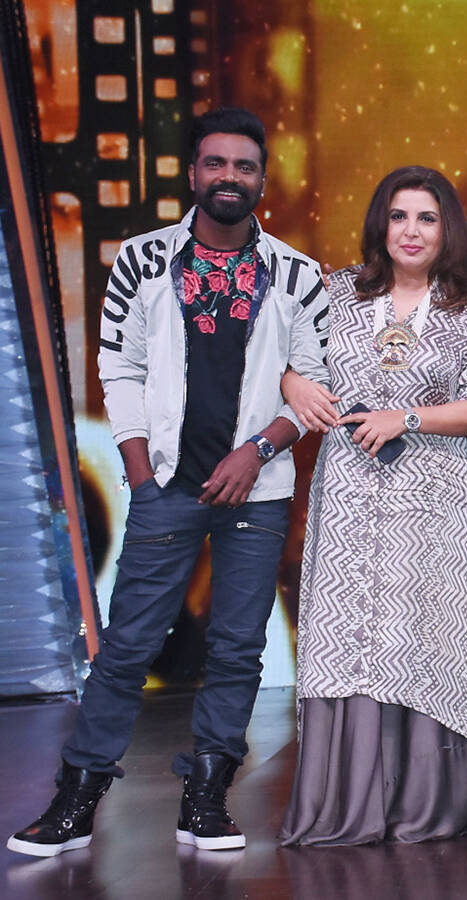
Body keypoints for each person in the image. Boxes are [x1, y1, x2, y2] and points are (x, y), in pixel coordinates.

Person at [8, 108, 328, 857]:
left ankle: (206, 800)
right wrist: (139, 472)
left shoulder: (299, 273)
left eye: (244, 166)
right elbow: (118, 366)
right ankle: (76, 799)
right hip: (167, 489)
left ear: (261, 179)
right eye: (216, 163)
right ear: (193, 174)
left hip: (258, 491)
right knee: (127, 646)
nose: (229, 177)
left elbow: (314, 381)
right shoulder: (143, 259)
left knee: (237, 649)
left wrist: (257, 450)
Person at [276, 166, 467, 845]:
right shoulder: (336, 292)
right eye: (399, 216)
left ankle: (421, 805)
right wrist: (292, 384)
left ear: (446, 229)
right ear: (381, 224)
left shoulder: (466, 307)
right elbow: (281, 359)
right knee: (348, 635)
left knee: (423, 636)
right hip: (349, 494)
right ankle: (343, 804)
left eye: (427, 218)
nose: (411, 231)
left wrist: (405, 417)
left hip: (432, 499)